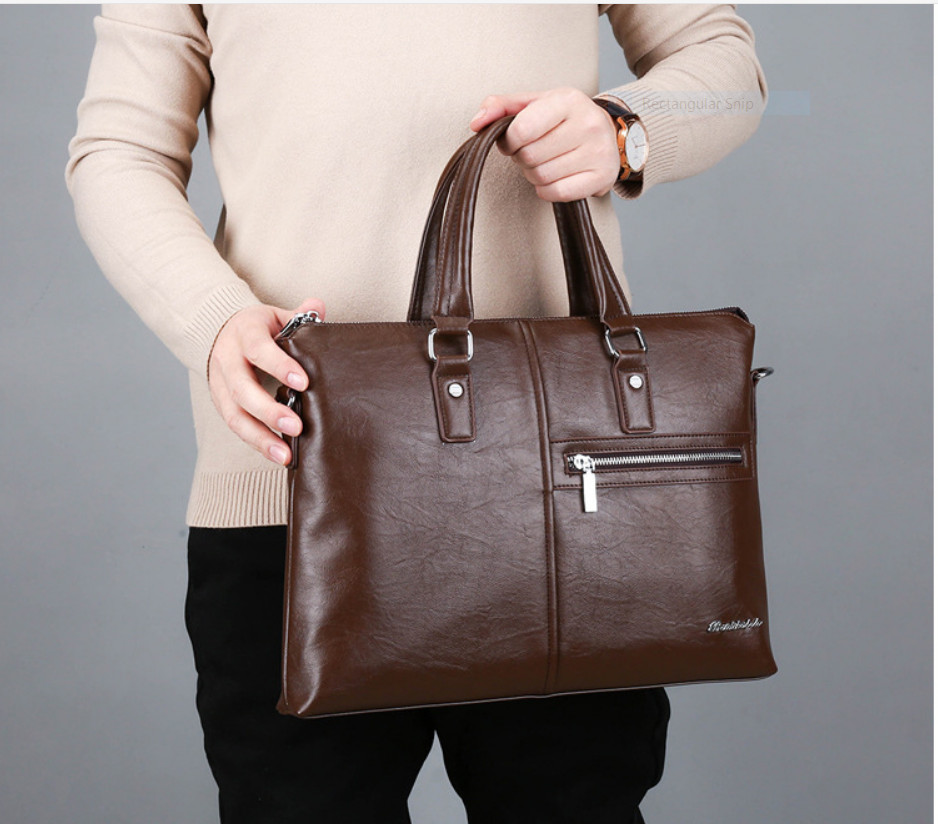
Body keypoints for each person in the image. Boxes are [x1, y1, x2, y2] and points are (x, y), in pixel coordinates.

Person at [65, 5, 766, 822]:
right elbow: (119, 152)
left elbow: (733, 75)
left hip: (554, 504)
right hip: (291, 491)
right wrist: (215, 321)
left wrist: (625, 131)